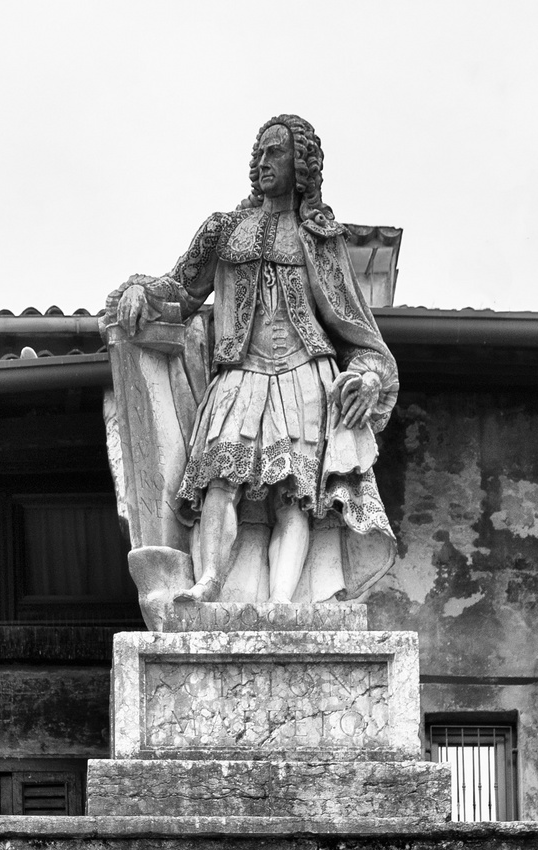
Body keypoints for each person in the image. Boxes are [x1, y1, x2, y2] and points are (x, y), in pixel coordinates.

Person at [111, 114, 398, 604]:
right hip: (240, 376)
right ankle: (209, 585)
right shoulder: (224, 230)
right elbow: (180, 287)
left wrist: (370, 377)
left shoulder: (319, 240)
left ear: (302, 165)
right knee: (220, 481)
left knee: (296, 499)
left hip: (306, 377)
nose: (263, 162)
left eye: (276, 153)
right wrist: (139, 288)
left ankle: (284, 604)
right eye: (259, 153)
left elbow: (357, 331)